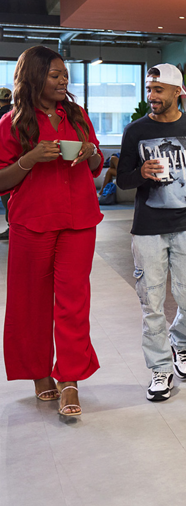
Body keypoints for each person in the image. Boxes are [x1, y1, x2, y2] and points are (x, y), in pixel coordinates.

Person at [0, 46, 105, 417]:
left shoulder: (77, 115)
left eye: (65, 75)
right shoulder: (12, 123)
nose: (63, 81)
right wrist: (29, 160)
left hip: (79, 221)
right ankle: (38, 373)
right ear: (34, 78)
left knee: (73, 300)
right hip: (32, 221)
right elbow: (1, 179)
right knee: (30, 302)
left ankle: (70, 379)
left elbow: (96, 164)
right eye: (55, 75)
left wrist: (91, 149)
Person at [116, 63, 186, 402]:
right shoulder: (135, 131)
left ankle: (180, 344)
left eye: (158, 90)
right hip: (148, 227)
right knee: (151, 301)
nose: (151, 96)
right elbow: (122, 180)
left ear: (178, 92)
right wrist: (141, 173)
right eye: (149, 90)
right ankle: (160, 369)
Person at [0, 87, 13, 240]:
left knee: (7, 196)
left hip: (4, 162)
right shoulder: (17, 113)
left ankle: (12, 227)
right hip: (15, 161)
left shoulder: (3, 116)